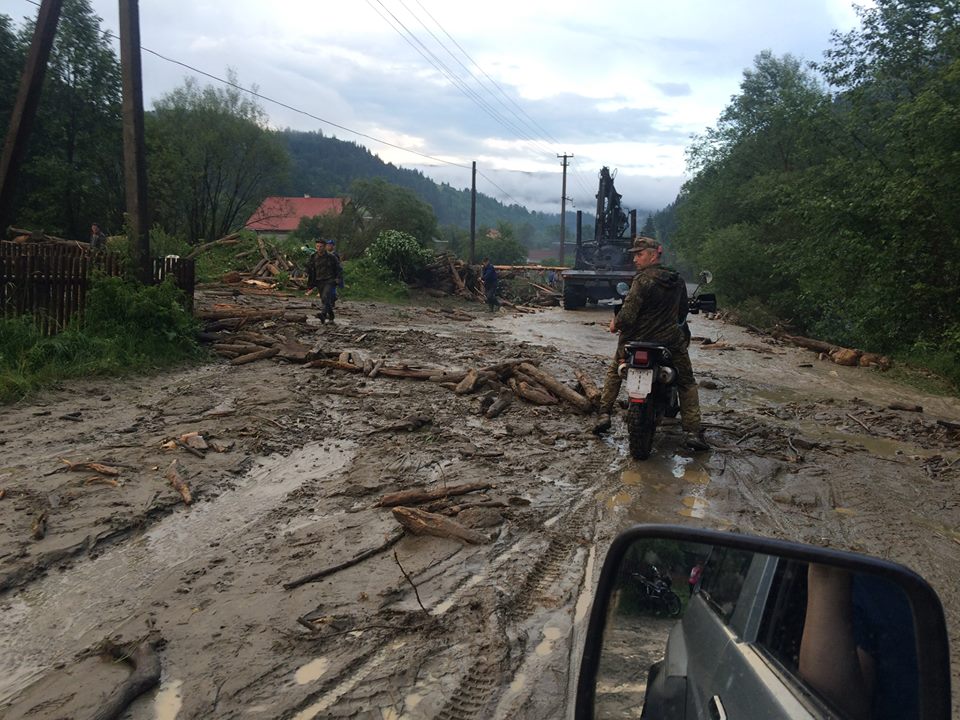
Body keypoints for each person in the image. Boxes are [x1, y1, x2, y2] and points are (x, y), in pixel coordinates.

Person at [593, 236, 707, 450]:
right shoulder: (676, 281)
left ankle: (604, 414)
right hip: (669, 342)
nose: (635, 259)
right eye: (635, 255)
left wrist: (614, 324)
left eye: (640, 254)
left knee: (614, 372)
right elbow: (682, 313)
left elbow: (626, 317)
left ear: (654, 255)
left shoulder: (642, 280)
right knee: (686, 382)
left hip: (634, 341)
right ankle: (692, 431)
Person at [305, 237, 342, 324]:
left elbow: (338, 268)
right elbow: (309, 267)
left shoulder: (331, 257)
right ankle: (331, 316)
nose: (319, 248)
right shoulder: (313, 256)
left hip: (329, 280)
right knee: (324, 300)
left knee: (325, 297)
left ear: (325, 247)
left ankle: (323, 314)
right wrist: (306, 273)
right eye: (317, 246)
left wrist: (338, 278)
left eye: (321, 246)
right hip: (318, 281)